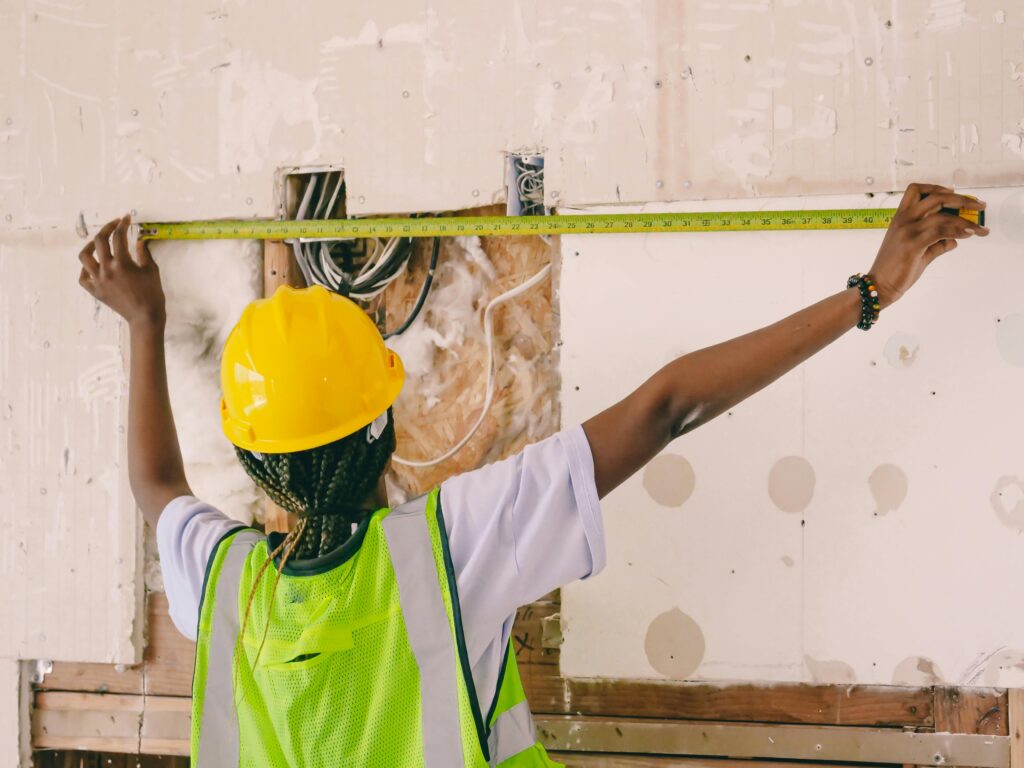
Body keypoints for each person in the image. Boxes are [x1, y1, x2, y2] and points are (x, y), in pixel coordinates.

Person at [76, 183, 987, 767]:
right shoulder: (453, 547)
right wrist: (870, 292)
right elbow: (667, 406)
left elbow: (156, 485)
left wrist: (143, 322)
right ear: (384, 427)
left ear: (248, 458)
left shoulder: (224, 586)